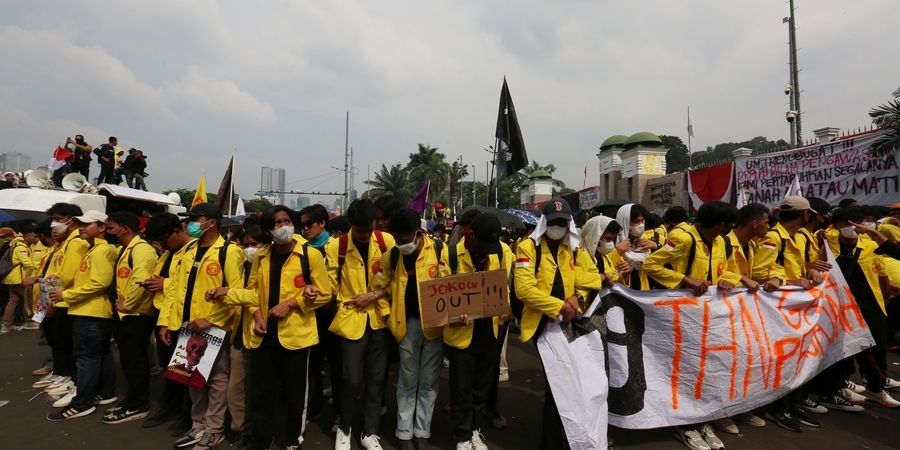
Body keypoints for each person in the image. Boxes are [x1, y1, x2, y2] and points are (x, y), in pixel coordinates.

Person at [208, 205, 332, 450]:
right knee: (262, 393)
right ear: (268, 230)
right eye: (277, 223)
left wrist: (292, 304)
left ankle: (291, 441)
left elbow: (326, 294)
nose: (283, 226)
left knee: (296, 395)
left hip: (297, 336)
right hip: (264, 336)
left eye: (286, 221)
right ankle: (260, 440)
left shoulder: (310, 255)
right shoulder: (263, 257)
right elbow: (253, 292)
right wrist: (254, 314)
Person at [644, 201, 740, 450]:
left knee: (706, 366)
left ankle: (701, 417)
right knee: (682, 367)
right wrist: (684, 279)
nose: (730, 229)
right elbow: (651, 265)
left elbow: (728, 269)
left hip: (710, 316)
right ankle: (684, 423)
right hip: (681, 314)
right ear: (720, 225)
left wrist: (728, 280)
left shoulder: (722, 242)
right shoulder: (683, 238)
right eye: (728, 225)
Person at [513, 198, 605, 449]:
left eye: (562, 222)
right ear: (545, 223)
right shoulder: (527, 248)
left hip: (571, 324)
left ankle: (571, 435)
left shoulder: (575, 248)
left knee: (578, 382)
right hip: (543, 326)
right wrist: (558, 306)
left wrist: (579, 296)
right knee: (557, 386)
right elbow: (523, 289)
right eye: (553, 223)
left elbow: (594, 278)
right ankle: (552, 442)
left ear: (569, 224)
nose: (558, 227)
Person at [159, 202, 245, 449]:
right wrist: (166, 321)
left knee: (217, 379)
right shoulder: (188, 251)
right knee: (191, 376)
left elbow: (236, 292)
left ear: (212, 222)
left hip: (213, 327)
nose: (191, 223)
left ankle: (214, 428)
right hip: (187, 326)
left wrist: (212, 319)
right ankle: (198, 425)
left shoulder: (229, 252)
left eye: (197, 218)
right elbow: (174, 289)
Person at [372, 208, 448, 450]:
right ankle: (404, 434)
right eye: (397, 239)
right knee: (407, 381)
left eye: (404, 240)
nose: (400, 244)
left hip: (434, 327)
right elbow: (379, 289)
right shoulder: (391, 257)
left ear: (418, 233)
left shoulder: (438, 251)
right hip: (406, 327)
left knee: (429, 382)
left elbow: (449, 286)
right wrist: (387, 315)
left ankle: (422, 431)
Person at [751, 196, 824, 432]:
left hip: (796, 310)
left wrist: (811, 271)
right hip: (778, 311)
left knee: (798, 358)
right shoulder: (774, 238)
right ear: (805, 214)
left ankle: (791, 403)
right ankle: (776, 407)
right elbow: (759, 272)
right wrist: (790, 280)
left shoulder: (796, 238)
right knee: (780, 361)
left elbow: (802, 266)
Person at [326, 199, 395, 450]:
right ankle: (344, 428)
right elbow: (330, 284)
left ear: (375, 222)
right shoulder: (338, 245)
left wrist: (374, 295)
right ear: (350, 224)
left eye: (369, 228)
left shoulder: (386, 242)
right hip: (351, 319)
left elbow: (396, 281)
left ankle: (370, 431)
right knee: (351, 378)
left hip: (379, 319)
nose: (365, 234)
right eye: (359, 229)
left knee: (376, 379)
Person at [442, 213, 513, 450]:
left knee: (481, 386)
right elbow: (441, 295)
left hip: (490, 331)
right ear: (470, 235)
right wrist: (454, 314)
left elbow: (505, 288)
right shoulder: (450, 254)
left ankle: (473, 429)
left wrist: (506, 312)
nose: (488, 251)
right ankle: (462, 437)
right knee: (461, 388)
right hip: (462, 332)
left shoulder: (503, 252)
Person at [817, 208, 900, 408]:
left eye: (859, 223)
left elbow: (881, 272)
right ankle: (838, 386)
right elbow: (816, 267)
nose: (855, 228)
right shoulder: (825, 243)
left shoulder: (871, 244)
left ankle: (876, 387)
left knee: (877, 345)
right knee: (842, 348)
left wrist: (885, 296)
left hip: (872, 304)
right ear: (837, 225)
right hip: (840, 305)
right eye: (850, 223)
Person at [46, 210, 119, 421]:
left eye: (87, 224)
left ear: (102, 228)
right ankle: (106, 392)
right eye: (81, 224)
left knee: (86, 358)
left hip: (91, 312)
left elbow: (99, 283)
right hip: (90, 310)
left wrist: (66, 294)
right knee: (99, 354)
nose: (82, 228)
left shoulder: (100, 251)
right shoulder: (94, 250)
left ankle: (82, 403)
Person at [712, 203, 771, 435]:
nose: (769, 227)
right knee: (723, 364)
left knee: (745, 363)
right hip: (722, 315)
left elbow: (765, 271)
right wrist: (736, 278)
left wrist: (776, 277)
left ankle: (741, 406)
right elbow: (715, 272)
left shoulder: (754, 245)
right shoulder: (724, 242)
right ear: (754, 222)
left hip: (745, 315)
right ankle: (720, 412)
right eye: (766, 223)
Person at [30, 203, 90, 406]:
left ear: (71, 220)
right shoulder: (63, 244)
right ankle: (61, 373)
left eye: (57, 218)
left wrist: (52, 299)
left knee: (67, 344)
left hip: (63, 301)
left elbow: (66, 275)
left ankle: (70, 378)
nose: (54, 225)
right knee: (58, 342)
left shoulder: (76, 244)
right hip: (56, 299)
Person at [102, 211, 159, 424]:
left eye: (110, 227)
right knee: (128, 360)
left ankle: (138, 405)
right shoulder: (128, 248)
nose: (108, 231)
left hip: (135, 315)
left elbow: (141, 280)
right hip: (126, 314)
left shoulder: (142, 249)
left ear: (124, 228)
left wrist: (128, 305)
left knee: (135, 362)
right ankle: (133, 401)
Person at [141, 213, 194, 432]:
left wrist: (165, 283)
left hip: (185, 320)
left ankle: (188, 415)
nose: (161, 245)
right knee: (169, 368)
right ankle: (170, 407)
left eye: (163, 240)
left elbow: (191, 284)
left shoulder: (194, 251)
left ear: (177, 231)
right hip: (165, 317)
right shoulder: (168, 254)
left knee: (186, 369)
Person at [300, 204, 343, 430]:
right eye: (302, 225)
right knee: (312, 366)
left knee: (337, 367)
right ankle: (313, 408)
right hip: (310, 314)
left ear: (323, 224)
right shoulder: (302, 249)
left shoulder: (336, 246)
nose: (305, 229)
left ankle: (339, 414)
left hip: (334, 315)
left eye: (309, 224)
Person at [225, 225, 268, 444]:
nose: (249, 249)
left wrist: (232, 294)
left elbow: (257, 297)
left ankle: (255, 430)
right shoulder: (239, 266)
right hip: (239, 334)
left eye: (255, 245)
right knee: (236, 388)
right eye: (246, 245)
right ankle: (240, 426)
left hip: (262, 335)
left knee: (259, 389)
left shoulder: (269, 266)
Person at [614, 203, 658, 290]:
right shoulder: (613, 240)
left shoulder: (643, 239)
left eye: (642, 221)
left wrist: (655, 246)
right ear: (625, 222)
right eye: (636, 221)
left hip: (642, 287)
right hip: (621, 290)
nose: (641, 225)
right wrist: (616, 251)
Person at [1, 226, 35, 333]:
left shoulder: (14, 245)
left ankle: (6, 325)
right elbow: (27, 263)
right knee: (28, 299)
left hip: (11, 279)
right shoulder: (21, 247)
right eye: (34, 236)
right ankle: (29, 321)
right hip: (19, 279)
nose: (35, 239)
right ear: (27, 236)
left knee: (13, 301)